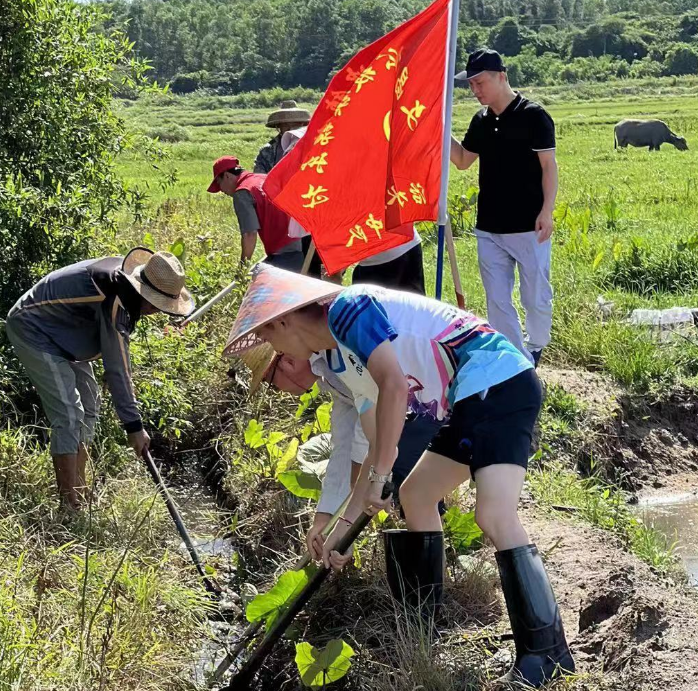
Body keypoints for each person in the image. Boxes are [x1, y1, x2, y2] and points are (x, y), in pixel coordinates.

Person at [223, 265, 574, 688]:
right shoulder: (340, 354)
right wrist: (343, 525)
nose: (272, 346)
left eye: (268, 337)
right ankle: (425, 624)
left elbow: (394, 387)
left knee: (494, 516)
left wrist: (381, 475)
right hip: (465, 399)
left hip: (496, 380)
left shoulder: (348, 309)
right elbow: (375, 444)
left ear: (283, 320)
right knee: (418, 495)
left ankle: (546, 654)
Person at [6, 248, 195, 510]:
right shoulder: (117, 297)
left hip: (67, 334)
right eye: (158, 306)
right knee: (70, 415)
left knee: (90, 405)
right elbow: (117, 366)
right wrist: (134, 426)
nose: (158, 312)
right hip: (35, 328)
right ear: (147, 297)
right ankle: (69, 506)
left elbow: (116, 357)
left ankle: (80, 490)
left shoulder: (126, 287)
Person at [257, 353, 441, 563]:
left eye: (270, 383)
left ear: (287, 362)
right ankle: (426, 583)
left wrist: (349, 514)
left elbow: (374, 429)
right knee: (403, 490)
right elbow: (344, 443)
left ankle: (427, 586)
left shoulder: (340, 355)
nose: (279, 392)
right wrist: (325, 518)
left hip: (427, 396)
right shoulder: (328, 375)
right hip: (412, 404)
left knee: (411, 491)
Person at [451, 48, 558, 368]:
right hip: (489, 228)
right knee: (497, 301)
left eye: (480, 82)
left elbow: (549, 167)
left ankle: (536, 344)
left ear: (501, 76)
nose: (475, 90)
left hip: (529, 226)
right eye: (471, 85)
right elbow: (462, 161)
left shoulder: (533, 115)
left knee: (535, 297)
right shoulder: (480, 121)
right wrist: (439, 129)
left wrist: (547, 211)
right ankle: (518, 362)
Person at [208, 156, 305, 272]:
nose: (221, 190)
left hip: (283, 255)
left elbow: (250, 234)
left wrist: (242, 269)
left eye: (219, 183)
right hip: (301, 246)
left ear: (227, 176)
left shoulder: (242, 193)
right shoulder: (262, 177)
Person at [254, 100, 311, 174]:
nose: (291, 128)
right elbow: (259, 177)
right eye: (285, 125)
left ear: (302, 124)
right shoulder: (267, 150)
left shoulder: (313, 145)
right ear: (279, 127)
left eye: (295, 124)